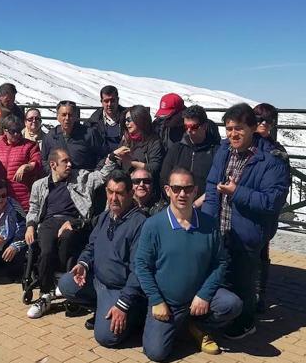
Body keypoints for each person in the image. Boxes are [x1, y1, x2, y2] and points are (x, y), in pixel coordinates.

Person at [136, 168, 243, 361]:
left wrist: (204, 294)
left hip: (199, 299)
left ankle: (199, 327)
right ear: (168, 190)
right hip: (167, 303)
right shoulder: (153, 225)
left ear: (195, 191)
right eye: (176, 189)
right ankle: (181, 326)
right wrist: (156, 300)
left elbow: (220, 262)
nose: (182, 194)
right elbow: (142, 266)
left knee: (232, 304)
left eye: (187, 188)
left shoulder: (209, 224)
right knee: (156, 353)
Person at [202, 103, 289, 339]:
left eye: (238, 128)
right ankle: (227, 315)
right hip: (220, 228)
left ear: (252, 127)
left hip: (248, 233)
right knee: (223, 276)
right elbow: (212, 185)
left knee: (244, 281)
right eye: (229, 129)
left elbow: (272, 202)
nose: (233, 134)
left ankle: (245, 322)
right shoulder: (224, 150)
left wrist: (236, 192)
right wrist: (208, 221)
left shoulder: (272, 160)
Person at [24, 148, 116, 319]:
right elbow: (34, 208)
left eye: (69, 161)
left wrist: (110, 158)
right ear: (53, 165)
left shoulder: (80, 177)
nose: (70, 164)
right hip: (49, 222)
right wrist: (30, 225)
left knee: (68, 238)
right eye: (65, 161)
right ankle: (45, 295)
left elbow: (102, 176)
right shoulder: (40, 185)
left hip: (74, 221)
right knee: (45, 250)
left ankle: (62, 281)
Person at [58, 170, 147, 346]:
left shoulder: (140, 223)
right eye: (110, 191)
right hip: (98, 280)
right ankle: (103, 309)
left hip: (120, 289)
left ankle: (134, 315)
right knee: (66, 284)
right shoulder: (106, 216)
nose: (113, 198)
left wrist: (124, 303)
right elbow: (91, 246)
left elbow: (139, 270)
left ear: (130, 193)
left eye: (119, 193)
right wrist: (83, 264)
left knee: (106, 338)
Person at [252, 103, 289, 313]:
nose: (263, 124)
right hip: (241, 206)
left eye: (268, 120)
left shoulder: (277, 151)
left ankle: (259, 294)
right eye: (259, 119)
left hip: (264, 209)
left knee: (261, 251)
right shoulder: (240, 145)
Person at [159, 105, 221, 207]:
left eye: (194, 127)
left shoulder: (216, 151)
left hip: (204, 208)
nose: (189, 130)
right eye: (186, 127)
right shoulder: (176, 149)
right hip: (176, 206)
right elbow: (164, 178)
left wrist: (198, 203)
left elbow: (218, 183)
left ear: (204, 126)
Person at [0, 115, 41, 212]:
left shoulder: (30, 146)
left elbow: (37, 161)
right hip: (0, 198)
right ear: (5, 131)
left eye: (18, 131)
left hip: (21, 198)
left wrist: (27, 166)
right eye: (13, 131)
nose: (16, 134)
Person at [41, 101, 105, 173]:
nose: (67, 118)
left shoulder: (89, 134)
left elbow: (102, 156)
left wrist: (94, 176)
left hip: (84, 180)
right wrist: (53, 174)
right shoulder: (50, 137)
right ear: (58, 117)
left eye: (70, 115)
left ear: (75, 117)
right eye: (64, 115)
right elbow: (44, 160)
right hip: (59, 180)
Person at [114, 105, 163, 196]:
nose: (126, 123)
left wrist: (131, 162)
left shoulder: (154, 141)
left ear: (140, 120)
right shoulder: (126, 140)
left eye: (129, 120)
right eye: (125, 120)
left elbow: (155, 168)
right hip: (126, 189)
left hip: (145, 190)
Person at [85, 85, 126, 154]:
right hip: (101, 161)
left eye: (112, 100)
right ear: (101, 102)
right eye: (106, 101)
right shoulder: (93, 122)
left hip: (124, 159)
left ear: (118, 100)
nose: (109, 104)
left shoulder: (128, 118)